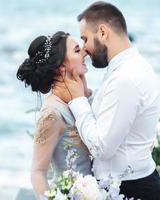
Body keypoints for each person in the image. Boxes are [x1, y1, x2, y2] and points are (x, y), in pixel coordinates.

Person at [53, 1, 160, 200]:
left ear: (103, 32)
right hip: (130, 183)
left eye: (85, 39)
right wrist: (88, 96)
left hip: (130, 188)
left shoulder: (125, 77)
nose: (84, 49)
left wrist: (78, 100)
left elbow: (101, 147)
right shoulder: (126, 68)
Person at [16, 31, 93, 199]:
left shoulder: (83, 99)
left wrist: (85, 92)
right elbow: (37, 172)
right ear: (61, 67)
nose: (85, 52)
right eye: (77, 50)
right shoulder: (52, 113)